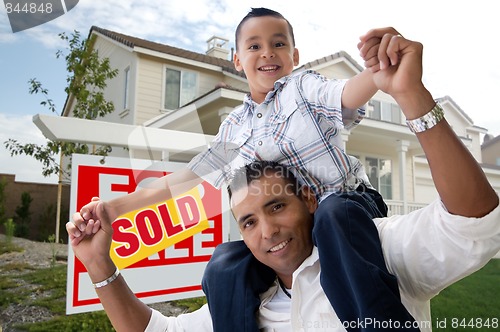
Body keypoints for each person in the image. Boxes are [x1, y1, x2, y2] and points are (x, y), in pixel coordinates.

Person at [67, 25, 500, 331]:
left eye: (279, 43)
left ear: (294, 55)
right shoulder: (234, 128)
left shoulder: (304, 89)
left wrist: (383, 75)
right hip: (307, 216)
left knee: (332, 216)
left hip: (347, 207)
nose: (267, 52)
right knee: (224, 264)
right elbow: (184, 178)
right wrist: (115, 207)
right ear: (236, 60)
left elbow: (345, 94)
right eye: (253, 46)